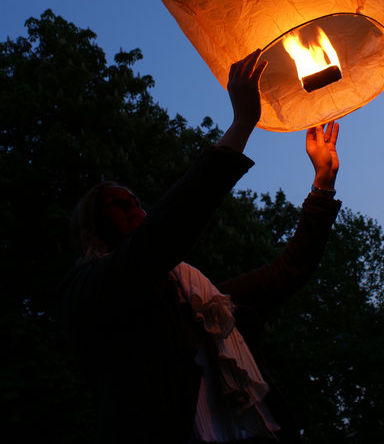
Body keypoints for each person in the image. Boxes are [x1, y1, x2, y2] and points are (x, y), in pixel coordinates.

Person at [58, 50, 341, 443]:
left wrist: (323, 185)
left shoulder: (209, 307)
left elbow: (290, 269)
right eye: (116, 204)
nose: (134, 206)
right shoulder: (90, 292)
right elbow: (161, 236)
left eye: (136, 200)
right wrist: (241, 125)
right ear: (93, 228)